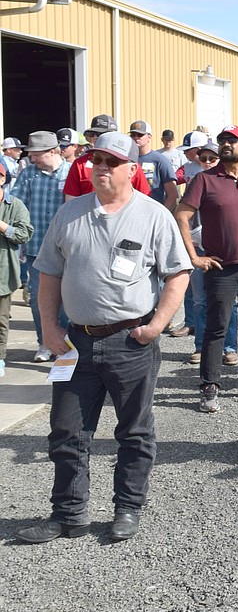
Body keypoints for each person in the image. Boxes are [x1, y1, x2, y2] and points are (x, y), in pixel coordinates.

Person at [16, 132, 191, 544]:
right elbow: (48, 274)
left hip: (131, 341)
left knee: (133, 432)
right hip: (76, 343)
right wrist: (50, 330)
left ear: (132, 169)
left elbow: (177, 275)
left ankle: (127, 509)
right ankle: (69, 514)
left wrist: (155, 326)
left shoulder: (153, 216)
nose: (101, 168)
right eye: (96, 160)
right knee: (66, 431)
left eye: (112, 162)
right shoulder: (70, 213)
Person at [176, 125, 238, 414]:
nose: (226, 145)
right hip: (221, 268)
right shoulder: (205, 180)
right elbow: (181, 215)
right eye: (222, 141)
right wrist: (193, 256)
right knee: (216, 329)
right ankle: (210, 386)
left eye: (232, 141)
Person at [9, 131, 69, 363]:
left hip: (65, 250)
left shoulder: (70, 172)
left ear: (52, 151)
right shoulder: (28, 175)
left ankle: (64, 344)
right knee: (38, 299)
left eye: (36, 154)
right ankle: (44, 342)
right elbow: (16, 203)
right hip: (35, 249)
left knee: (67, 299)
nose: (31, 159)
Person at [64, 115, 151, 200]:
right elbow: (71, 199)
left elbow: (144, 197)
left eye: (100, 134)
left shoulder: (128, 164)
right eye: (92, 134)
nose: (95, 137)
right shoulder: (79, 164)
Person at [0, 164, 33, 376]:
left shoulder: (15, 205)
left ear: (2, 179)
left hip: (3, 273)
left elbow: (24, 234)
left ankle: (0, 359)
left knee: (1, 320)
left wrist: (2, 226)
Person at [127, 120, 179, 210]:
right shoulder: (125, 159)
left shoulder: (159, 160)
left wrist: (162, 216)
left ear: (149, 137)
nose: (136, 138)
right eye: (132, 135)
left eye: (140, 135)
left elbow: (173, 195)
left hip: (152, 211)